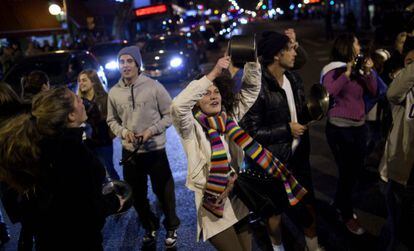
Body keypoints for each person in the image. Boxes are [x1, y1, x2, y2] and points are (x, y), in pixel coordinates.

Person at [0, 87, 126, 250]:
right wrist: (115, 202)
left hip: (46, 240)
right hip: (79, 241)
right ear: (71, 115)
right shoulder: (75, 155)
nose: (82, 102)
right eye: (78, 100)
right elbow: (85, 211)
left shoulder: (38, 147)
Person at [239, 31, 323, 251]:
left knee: (308, 204)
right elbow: (250, 131)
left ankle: (313, 247)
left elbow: (299, 109)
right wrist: (286, 130)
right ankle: (278, 248)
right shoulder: (257, 87)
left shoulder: (293, 78)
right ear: (277, 55)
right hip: (273, 162)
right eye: (291, 49)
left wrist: (314, 112)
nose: (295, 53)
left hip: (299, 156)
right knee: (274, 214)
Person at [107, 46, 180, 248]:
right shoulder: (113, 92)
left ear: (138, 64)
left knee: (163, 192)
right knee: (137, 195)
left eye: (130, 61)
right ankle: (150, 226)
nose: (125, 65)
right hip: (130, 152)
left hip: (155, 149)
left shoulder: (154, 86)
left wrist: (151, 130)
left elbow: (169, 115)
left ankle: (172, 226)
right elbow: (111, 120)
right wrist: (123, 132)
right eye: (122, 62)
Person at [320, 33, 377, 235]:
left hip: (359, 127)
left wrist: (368, 72)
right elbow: (328, 93)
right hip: (339, 129)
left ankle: (339, 203)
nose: (360, 46)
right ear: (348, 47)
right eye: (357, 43)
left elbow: (373, 90)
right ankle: (346, 214)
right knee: (347, 173)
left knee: (353, 172)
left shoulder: (361, 69)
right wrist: (346, 74)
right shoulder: (333, 70)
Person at [379, 37, 414, 251]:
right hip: (404, 159)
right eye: (409, 61)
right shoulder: (403, 79)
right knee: (400, 208)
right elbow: (392, 94)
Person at [77, 69, 119, 181]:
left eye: (84, 80)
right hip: (88, 144)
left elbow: (114, 118)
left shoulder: (105, 98)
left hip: (104, 142)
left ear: (93, 81)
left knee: (109, 170)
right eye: (79, 81)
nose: (81, 83)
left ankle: (120, 193)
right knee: (95, 172)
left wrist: (112, 134)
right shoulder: (78, 101)